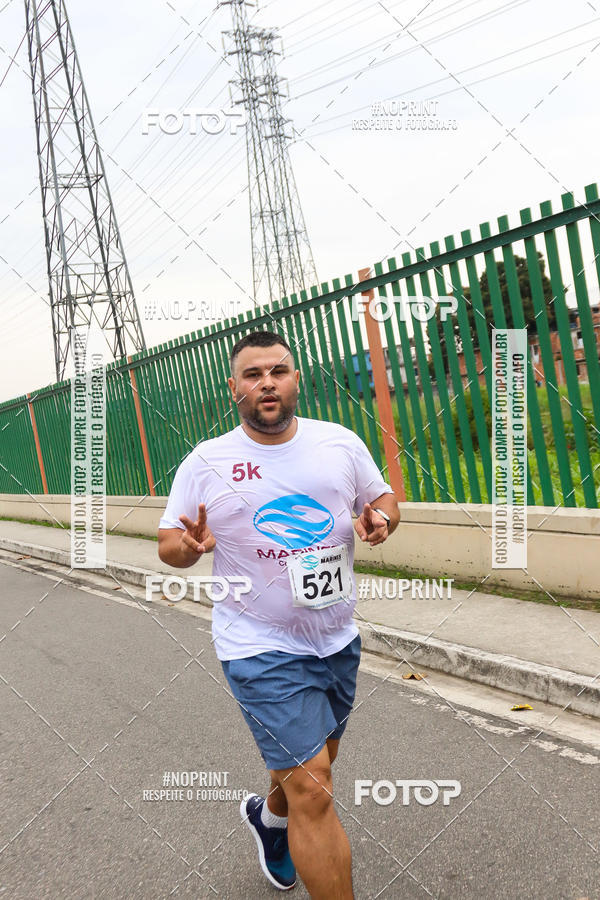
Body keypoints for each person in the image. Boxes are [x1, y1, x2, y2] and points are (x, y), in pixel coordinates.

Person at [158, 330, 399, 899]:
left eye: (278, 371)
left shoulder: (338, 443)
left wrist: (382, 520)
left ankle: (269, 821)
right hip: (257, 644)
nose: (267, 382)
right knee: (314, 789)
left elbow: (384, 496)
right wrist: (187, 549)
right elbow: (168, 540)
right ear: (234, 388)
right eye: (253, 374)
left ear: (295, 379)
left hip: (336, 638)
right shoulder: (208, 461)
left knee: (308, 766)